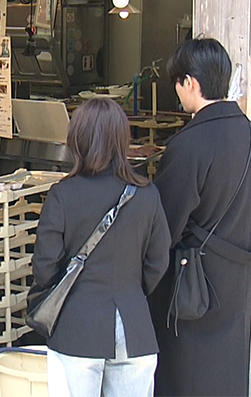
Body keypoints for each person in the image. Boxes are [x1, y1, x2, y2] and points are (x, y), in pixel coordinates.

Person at [148, 38, 251, 397]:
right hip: (238, 281)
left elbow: (163, 226)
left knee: (186, 376)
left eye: (177, 82)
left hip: (193, 284)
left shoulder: (190, 143)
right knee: (226, 375)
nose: (177, 91)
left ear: (190, 83)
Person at [33, 98, 171, 397]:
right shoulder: (147, 194)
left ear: (77, 140)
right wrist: (131, 290)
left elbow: (44, 268)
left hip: (76, 328)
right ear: (122, 140)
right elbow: (159, 261)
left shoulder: (62, 195)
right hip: (134, 328)